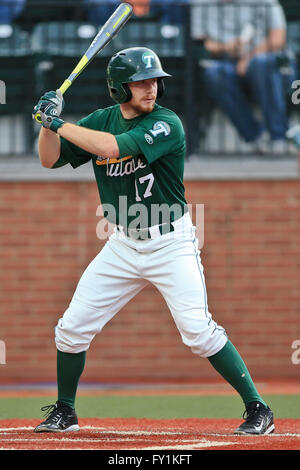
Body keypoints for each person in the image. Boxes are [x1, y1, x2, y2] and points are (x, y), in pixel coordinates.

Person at [32, 46, 274, 435]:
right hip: (123, 244)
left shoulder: (167, 123)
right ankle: (65, 410)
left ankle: (258, 408)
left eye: (154, 81)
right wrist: (46, 126)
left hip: (170, 243)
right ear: (118, 88)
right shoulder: (101, 120)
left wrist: (58, 121)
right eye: (140, 82)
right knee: (71, 329)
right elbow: (48, 160)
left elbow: (113, 148)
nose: (151, 88)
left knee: (198, 331)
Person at [191, 0, 297, 151]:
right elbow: (202, 43)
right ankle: (255, 136)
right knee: (213, 73)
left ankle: (277, 136)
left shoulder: (266, 2)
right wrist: (226, 47)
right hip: (228, 62)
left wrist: (248, 58)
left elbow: (277, 39)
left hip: (269, 62)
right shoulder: (200, 3)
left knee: (262, 63)